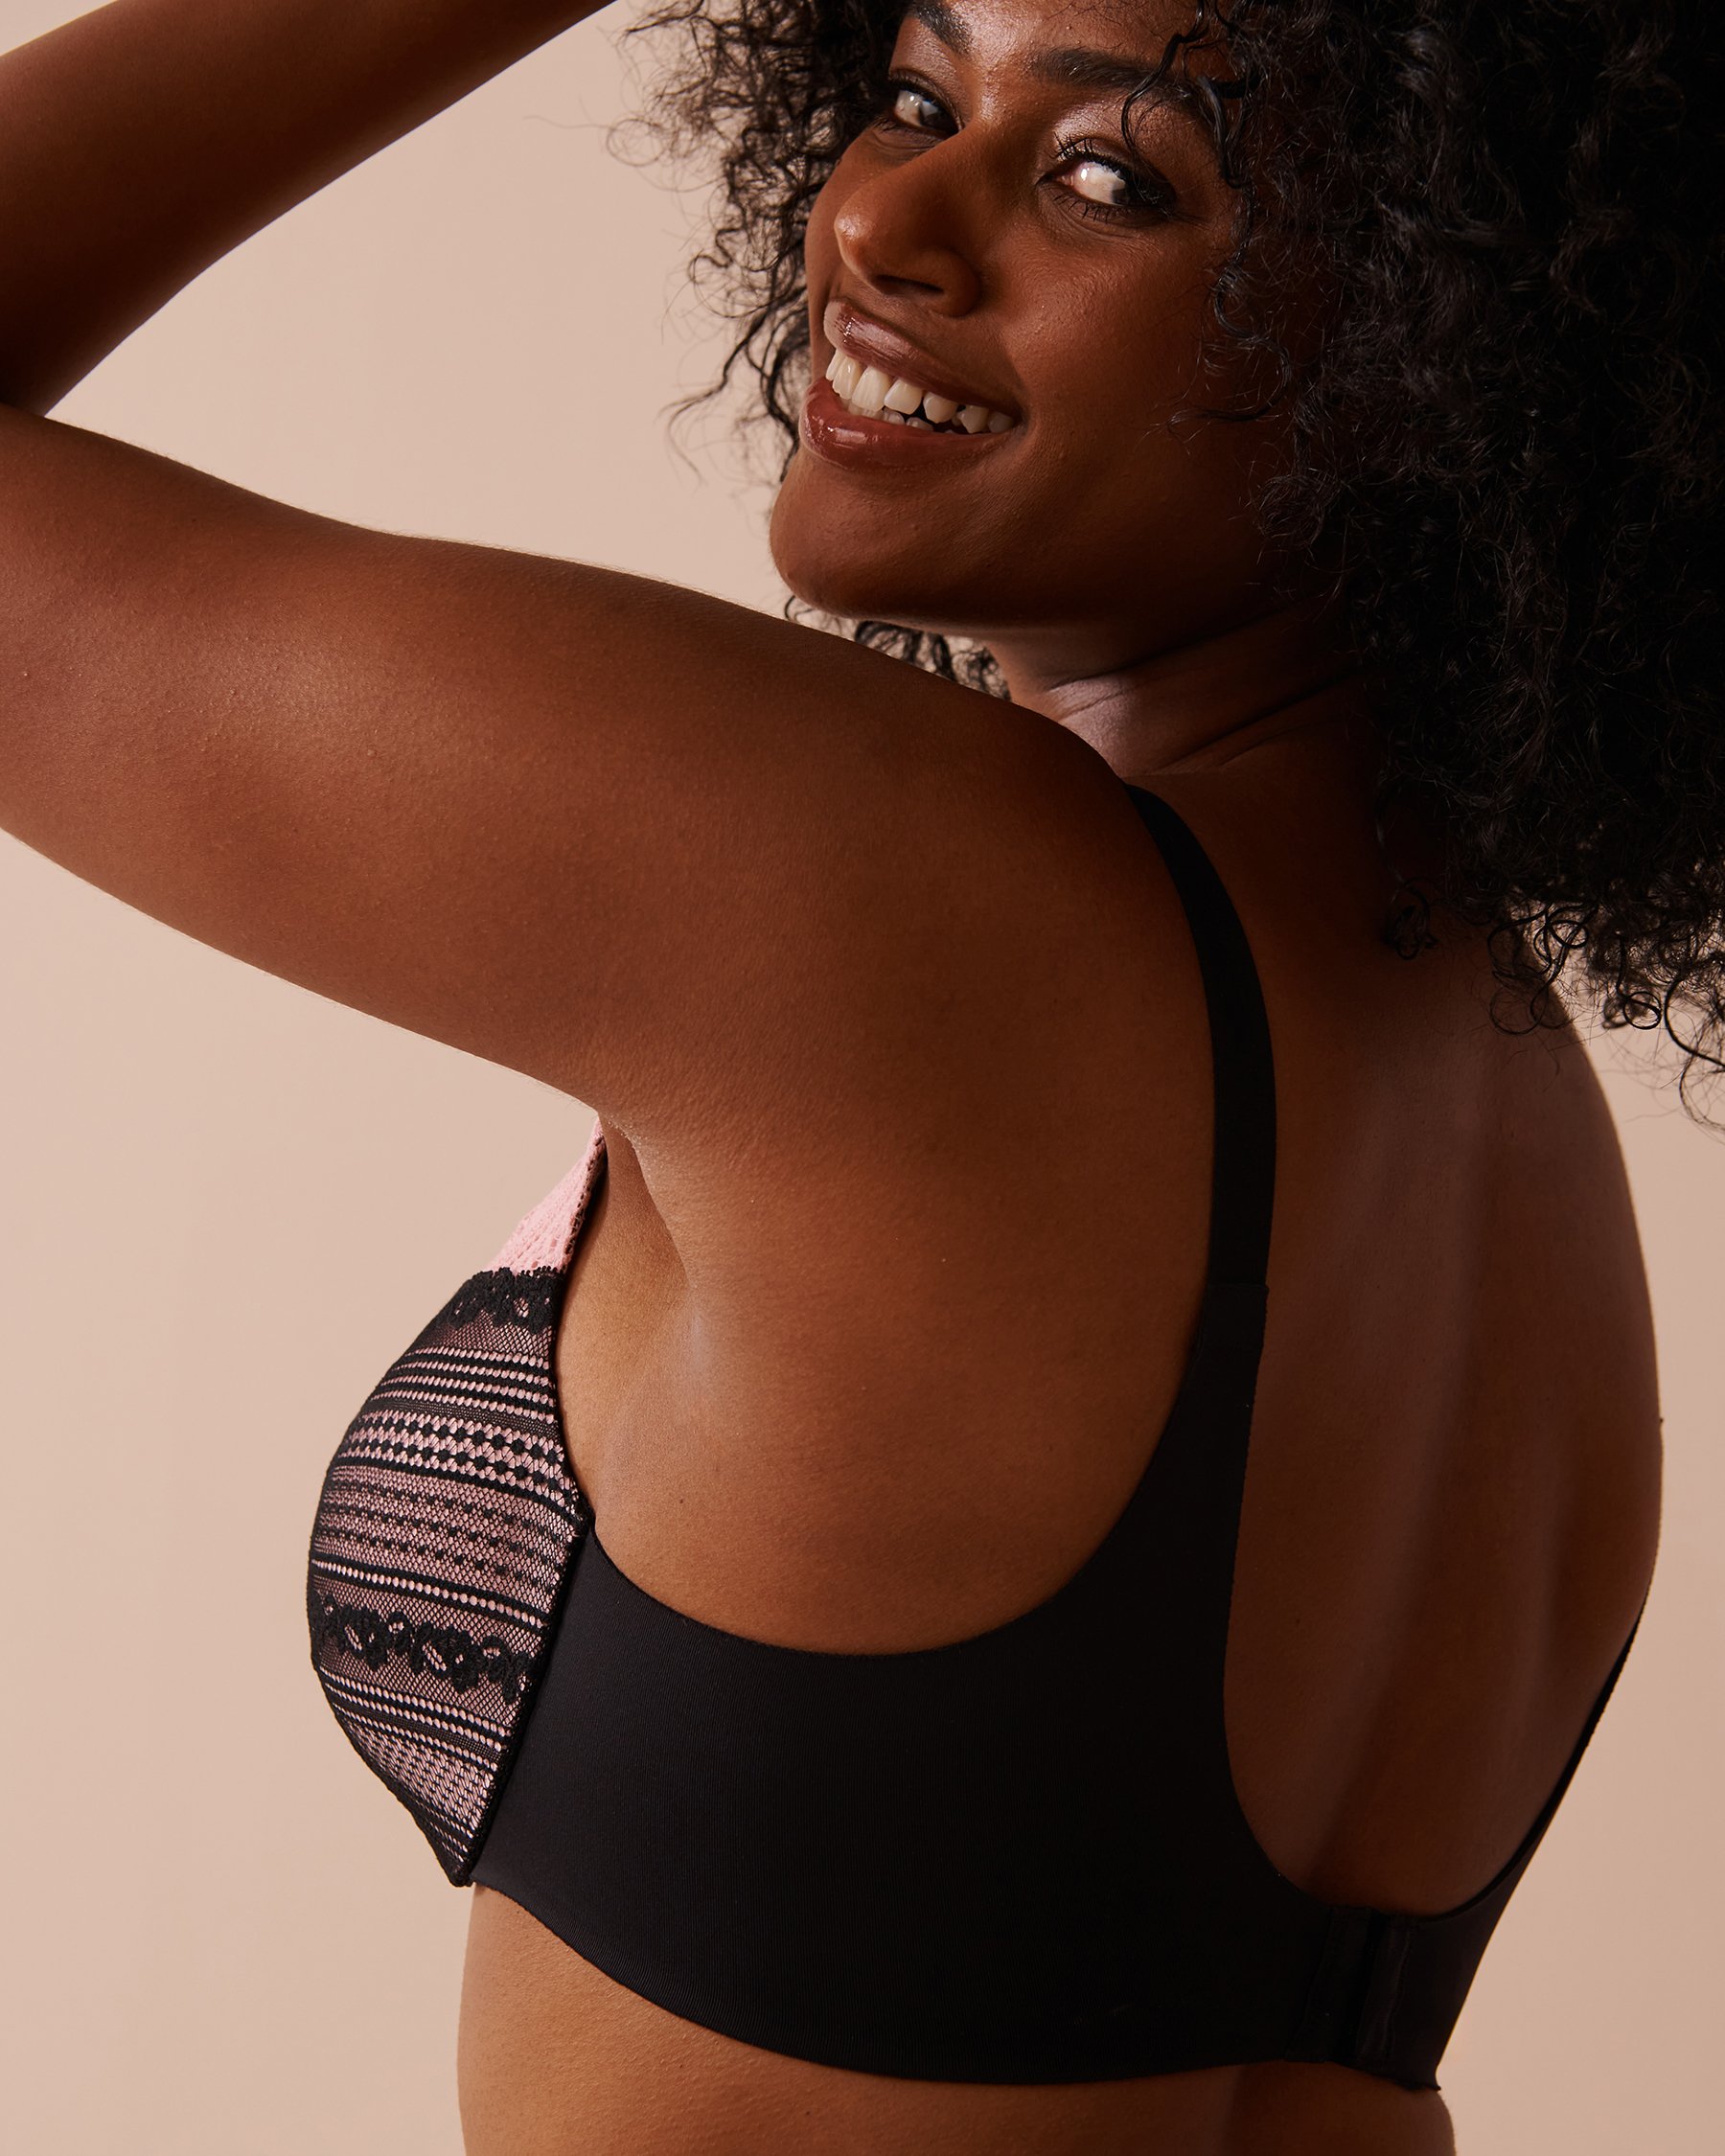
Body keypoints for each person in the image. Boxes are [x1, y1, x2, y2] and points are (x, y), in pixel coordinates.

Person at [2, 1, 1714, 2150]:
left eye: (1109, 177)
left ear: (1442, 330)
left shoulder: (927, 905)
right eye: (914, 97)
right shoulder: (1503, 1097)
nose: (887, 221)